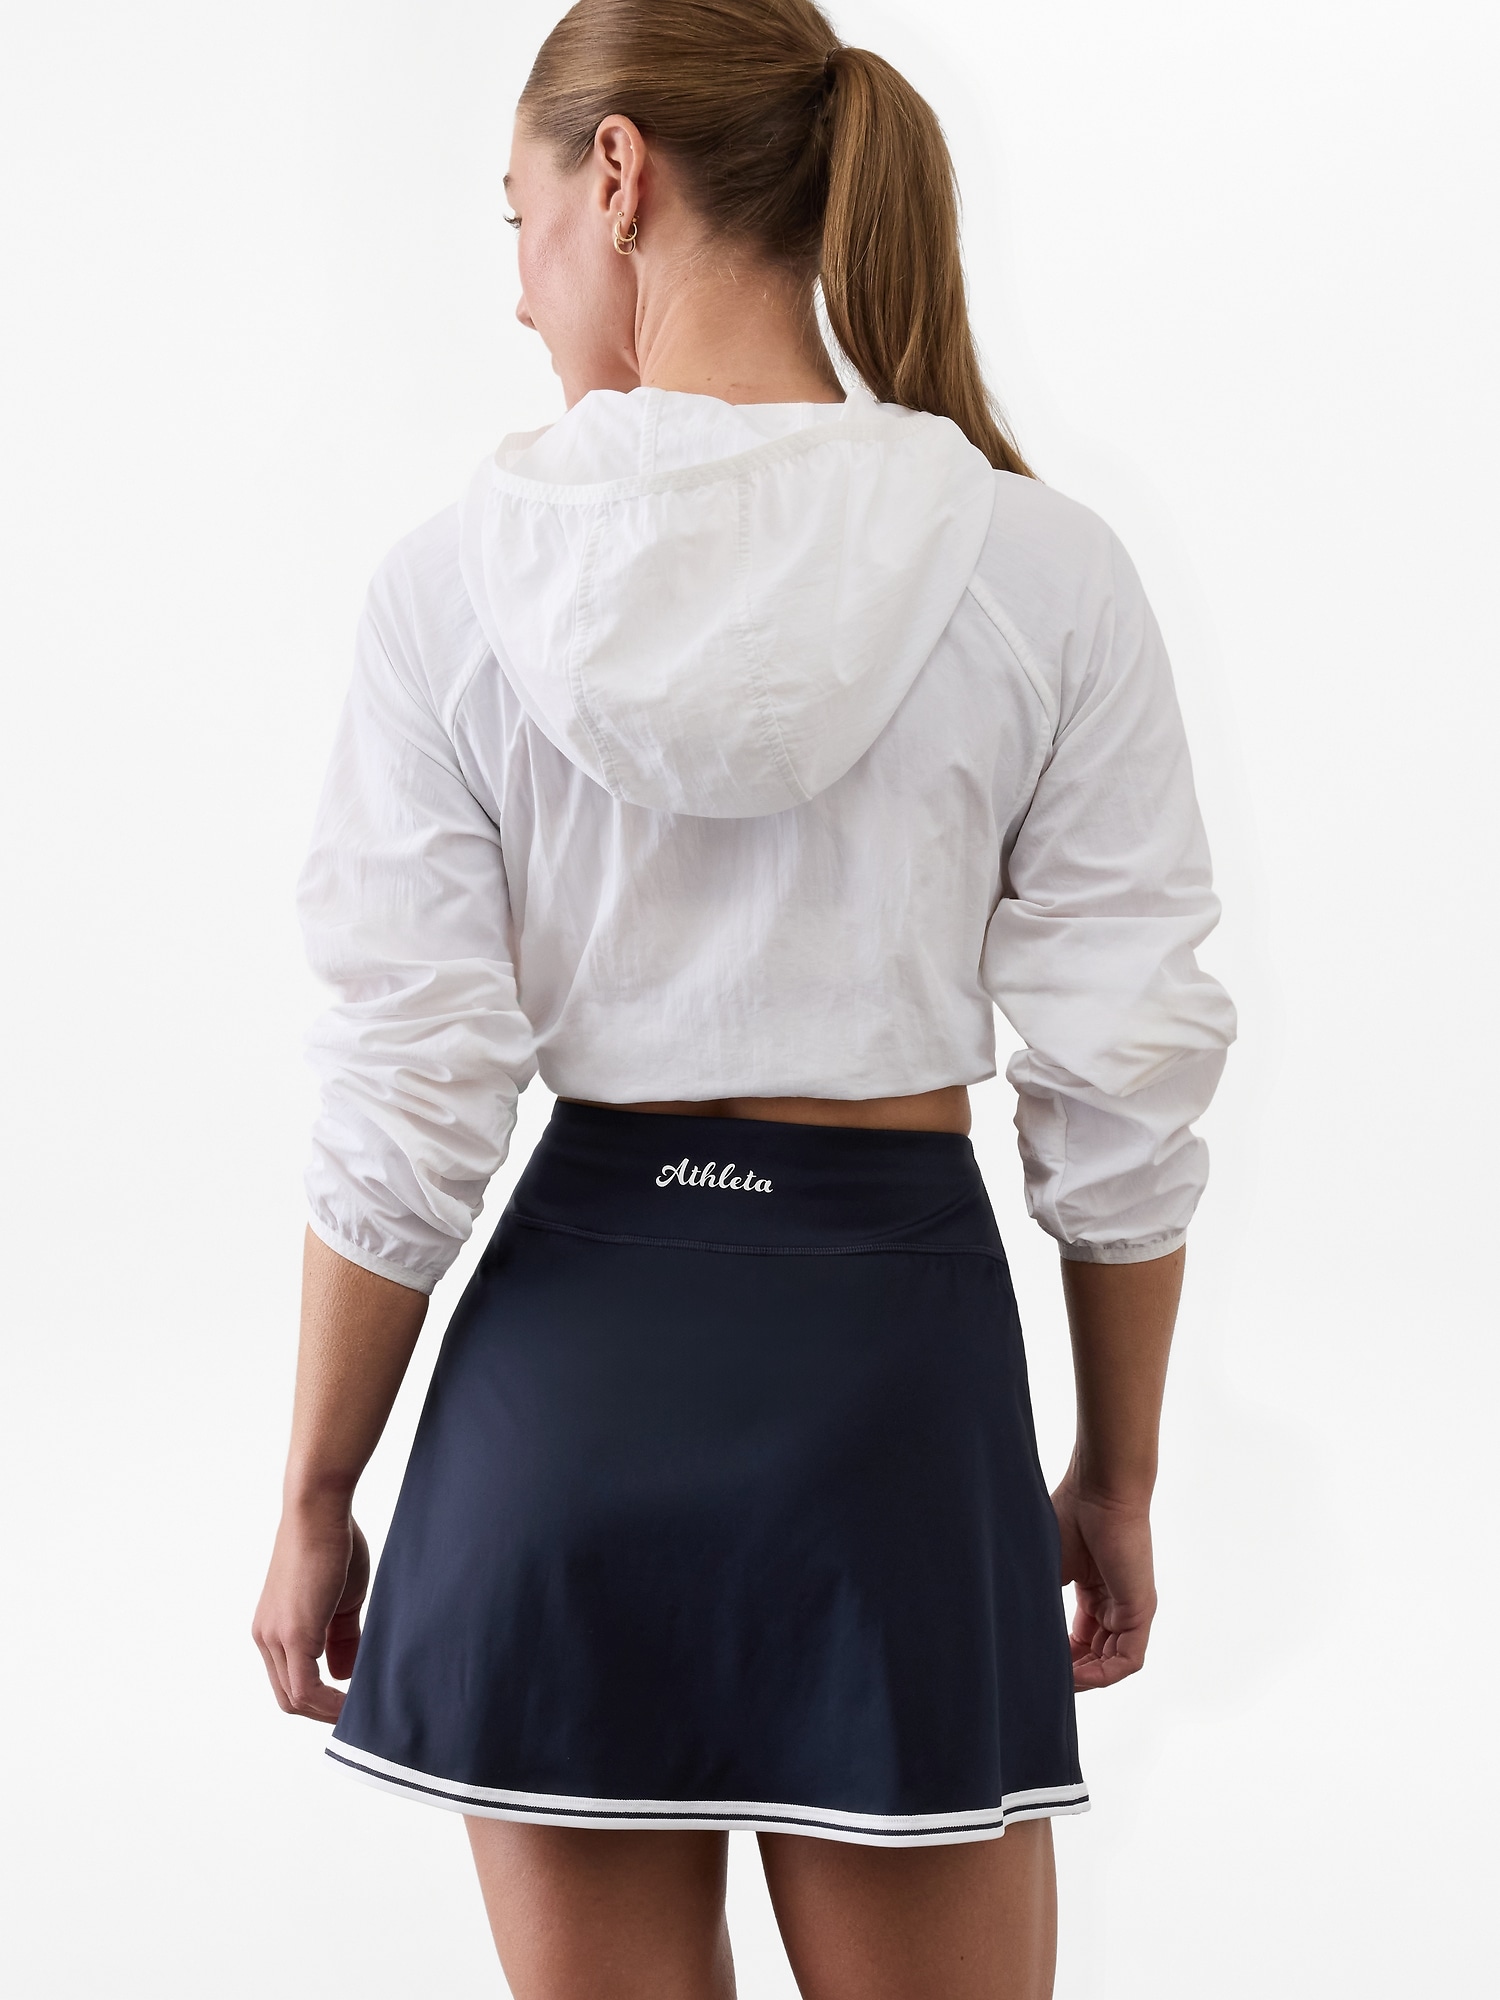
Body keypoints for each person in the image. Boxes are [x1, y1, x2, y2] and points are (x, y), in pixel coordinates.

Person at [252, 3, 1236, 1994]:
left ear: (615, 175)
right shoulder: (1041, 570)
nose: (516, 288)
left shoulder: (453, 585)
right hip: (896, 1393)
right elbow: (1125, 1075)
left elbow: (410, 1091)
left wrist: (316, 1492)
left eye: (516, 213)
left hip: (563, 1399)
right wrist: (1116, 1473)